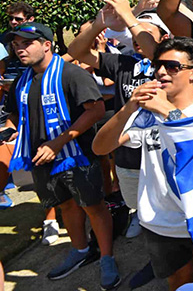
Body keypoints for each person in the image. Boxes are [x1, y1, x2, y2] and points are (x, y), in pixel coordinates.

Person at [93, 37, 193, 291]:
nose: (161, 72)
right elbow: (100, 148)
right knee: (180, 283)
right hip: (160, 222)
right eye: (158, 65)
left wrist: (167, 111)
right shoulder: (143, 114)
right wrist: (128, 108)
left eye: (172, 66)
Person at [0, 22, 118, 288]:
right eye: (16, 45)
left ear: (46, 45)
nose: (20, 50)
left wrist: (58, 142)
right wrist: (12, 131)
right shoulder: (22, 81)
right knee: (65, 206)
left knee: (93, 206)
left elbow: (96, 110)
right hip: (40, 158)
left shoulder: (71, 74)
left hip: (76, 155)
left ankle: (107, 257)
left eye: (26, 43)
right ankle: (79, 250)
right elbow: (15, 114)